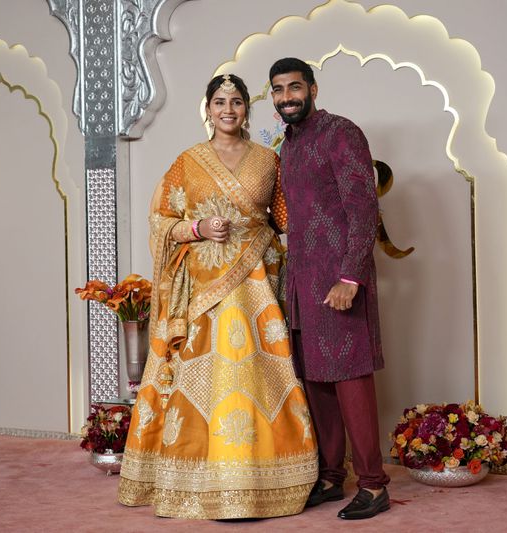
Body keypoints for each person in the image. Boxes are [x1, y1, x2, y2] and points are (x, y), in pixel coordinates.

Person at [117, 73, 318, 519]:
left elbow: (287, 220)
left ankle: (260, 483)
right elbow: (159, 220)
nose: (228, 110)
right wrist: (197, 229)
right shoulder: (187, 162)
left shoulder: (269, 160)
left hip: (254, 288)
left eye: (237, 102)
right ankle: (192, 482)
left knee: (259, 381)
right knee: (199, 383)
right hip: (202, 291)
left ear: (248, 109)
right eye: (220, 102)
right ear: (207, 109)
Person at [269, 58, 390, 520]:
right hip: (301, 282)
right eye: (278, 90)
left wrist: (350, 277)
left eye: (294, 87)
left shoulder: (340, 132)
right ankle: (331, 476)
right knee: (316, 379)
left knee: (350, 377)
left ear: (313, 88)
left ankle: (374, 486)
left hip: (340, 280)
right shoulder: (288, 145)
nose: (287, 98)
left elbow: (363, 208)